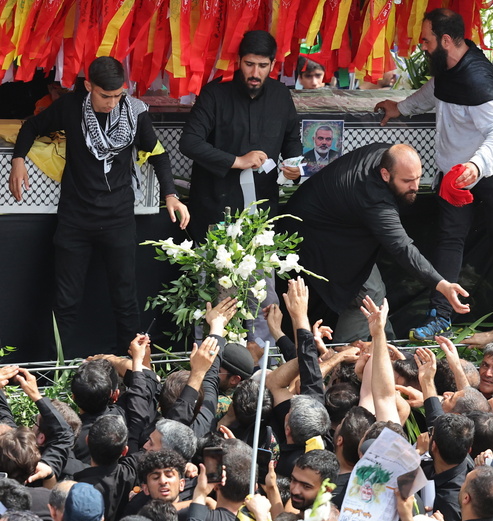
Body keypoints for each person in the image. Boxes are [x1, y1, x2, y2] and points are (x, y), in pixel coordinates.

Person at [8, 56, 189, 353]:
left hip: (118, 218)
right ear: (89, 86)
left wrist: (170, 195)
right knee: (65, 303)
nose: (113, 102)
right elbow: (32, 127)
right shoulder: (71, 107)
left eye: (119, 95)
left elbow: (159, 154)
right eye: (106, 96)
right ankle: (55, 375)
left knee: (126, 300)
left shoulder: (135, 111)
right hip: (75, 220)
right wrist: (18, 160)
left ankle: (132, 373)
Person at [376, 8, 493, 340]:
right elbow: (435, 91)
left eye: (427, 40)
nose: (423, 47)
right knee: (449, 237)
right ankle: (440, 314)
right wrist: (401, 108)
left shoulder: (478, 79)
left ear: (446, 40)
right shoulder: (449, 65)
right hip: (458, 168)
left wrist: (476, 166)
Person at [179, 30, 302, 344]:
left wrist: (294, 169)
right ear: (238, 62)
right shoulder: (215, 94)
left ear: (273, 65)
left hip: (261, 215)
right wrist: (236, 160)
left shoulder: (280, 96)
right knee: (215, 292)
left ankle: (263, 367)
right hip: (215, 211)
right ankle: (209, 363)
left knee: (263, 293)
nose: (255, 73)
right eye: (249, 64)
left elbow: (293, 143)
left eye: (263, 66)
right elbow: (189, 142)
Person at [283, 143, 469, 341]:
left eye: (418, 178)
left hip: (331, 221)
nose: (415, 187)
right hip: (312, 233)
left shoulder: (386, 153)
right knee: (367, 294)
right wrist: (442, 285)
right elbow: (402, 248)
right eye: (407, 181)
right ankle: (343, 362)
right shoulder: (375, 197)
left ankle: (387, 348)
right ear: (385, 174)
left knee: (375, 290)